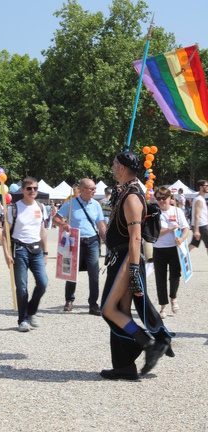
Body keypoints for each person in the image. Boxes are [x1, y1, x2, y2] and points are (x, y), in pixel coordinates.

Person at [100, 151, 173, 381]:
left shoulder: (132, 196)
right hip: (118, 257)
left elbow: (135, 237)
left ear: (122, 168)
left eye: (114, 164)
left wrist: (133, 270)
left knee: (108, 310)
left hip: (126, 257)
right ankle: (124, 365)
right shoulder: (124, 192)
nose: (112, 167)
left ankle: (147, 343)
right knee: (121, 312)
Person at [52, 178, 106, 315]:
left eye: (95, 188)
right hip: (75, 240)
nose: (94, 191)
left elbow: (100, 224)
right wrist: (63, 224)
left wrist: (106, 239)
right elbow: (55, 219)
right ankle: (69, 300)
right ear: (82, 190)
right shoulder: (70, 204)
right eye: (91, 189)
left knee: (94, 273)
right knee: (72, 272)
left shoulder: (96, 205)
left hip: (92, 241)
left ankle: (93, 304)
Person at [2, 177, 48, 332]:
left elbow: (43, 231)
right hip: (19, 249)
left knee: (43, 283)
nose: (33, 191)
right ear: (23, 190)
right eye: (29, 188)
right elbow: (4, 234)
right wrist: (7, 254)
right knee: (22, 287)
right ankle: (23, 319)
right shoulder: (13, 208)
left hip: (36, 250)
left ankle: (32, 310)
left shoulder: (41, 207)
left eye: (35, 188)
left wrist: (45, 251)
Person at [153, 186, 189, 318]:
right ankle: (163, 306)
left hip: (175, 249)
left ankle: (173, 298)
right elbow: (155, 234)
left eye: (164, 198)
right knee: (160, 278)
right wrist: (170, 228)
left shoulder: (177, 211)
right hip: (159, 249)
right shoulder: (155, 213)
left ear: (170, 198)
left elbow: (185, 228)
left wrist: (182, 238)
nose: (161, 201)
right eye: (158, 198)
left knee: (175, 276)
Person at [189, 179, 208, 255]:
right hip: (201, 226)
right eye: (206, 186)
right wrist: (196, 230)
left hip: (200, 225)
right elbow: (196, 215)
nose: (207, 187)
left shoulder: (200, 198)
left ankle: (180, 256)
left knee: (194, 244)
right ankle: (180, 256)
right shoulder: (199, 199)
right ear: (201, 187)